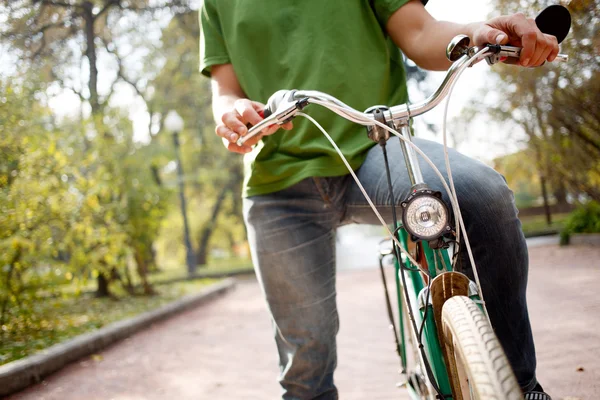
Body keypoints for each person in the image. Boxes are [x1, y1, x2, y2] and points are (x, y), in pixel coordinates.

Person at [199, 1, 559, 399]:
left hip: (375, 147)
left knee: (484, 197)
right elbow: (225, 89)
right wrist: (232, 113)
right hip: (279, 182)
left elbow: (420, 33)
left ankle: (519, 386)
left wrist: (478, 31)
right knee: (306, 369)